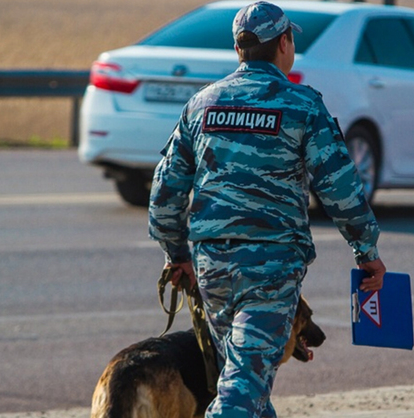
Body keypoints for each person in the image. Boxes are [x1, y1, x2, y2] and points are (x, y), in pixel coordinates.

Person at [148, 2, 386, 417]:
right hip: (271, 268)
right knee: (242, 388)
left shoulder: (202, 105)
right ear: (284, 43)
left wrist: (177, 255)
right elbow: (341, 189)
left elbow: (164, 192)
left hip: (213, 267)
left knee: (244, 379)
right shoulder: (302, 105)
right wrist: (366, 252)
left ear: (240, 50)